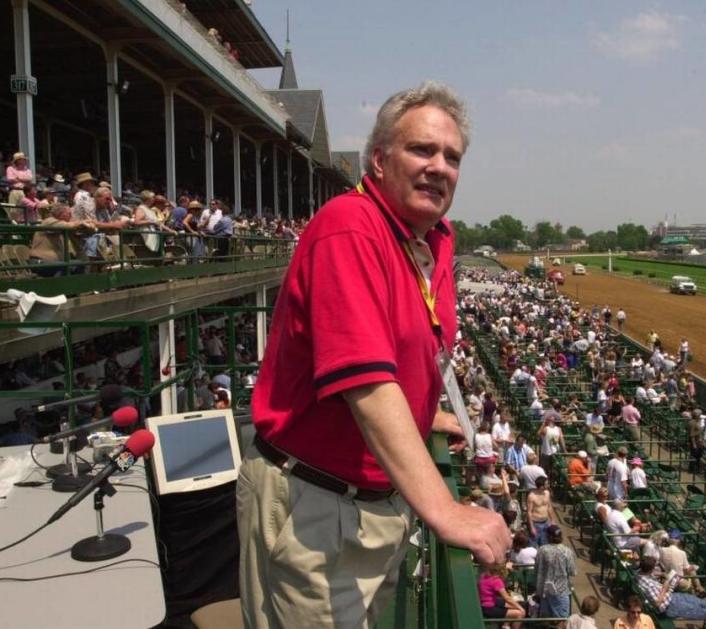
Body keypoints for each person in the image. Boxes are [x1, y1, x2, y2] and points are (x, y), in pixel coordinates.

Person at [237, 83, 510, 628]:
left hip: (375, 502)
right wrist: (446, 510)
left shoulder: (432, 240)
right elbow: (366, 382)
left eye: (451, 157)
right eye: (422, 150)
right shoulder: (349, 226)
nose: (439, 167)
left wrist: (420, 411)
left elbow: (407, 348)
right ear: (380, 160)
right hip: (312, 504)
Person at [636, 556, 706, 620]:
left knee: (695, 600)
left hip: (671, 597)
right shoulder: (648, 585)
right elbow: (657, 603)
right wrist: (665, 587)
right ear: (650, 569)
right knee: (695, 610)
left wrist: (662, 574)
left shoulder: (639, 574)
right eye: (654, 567)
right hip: (668, 607)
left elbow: (648, 573)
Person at [535, 524, 577, 623]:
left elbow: (536, 570)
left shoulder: (542, 550)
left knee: (545, 622)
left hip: (544, 592)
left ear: (549, 537)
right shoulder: (567, 551)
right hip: (561, 592)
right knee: (561, 622)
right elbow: (573, 572)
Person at [478, 562, 525, 628]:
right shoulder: (496, 581)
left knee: (514, 605)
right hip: (489, 608)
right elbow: (507, 598)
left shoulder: (484, 576)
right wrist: (521, 608)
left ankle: (506, 626)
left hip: (485, 604)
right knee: (520, 613)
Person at [528, 475, 555, 546]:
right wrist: (531, 527)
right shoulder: (531, 496)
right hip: (535, 523)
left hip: (546, 522)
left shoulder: (547, 493)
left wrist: (552, 520)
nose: (548, 485)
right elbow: (529, 512)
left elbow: (549, 507)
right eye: (546, 484)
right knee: (534, 544)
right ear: (541, 486)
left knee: (545, 544)